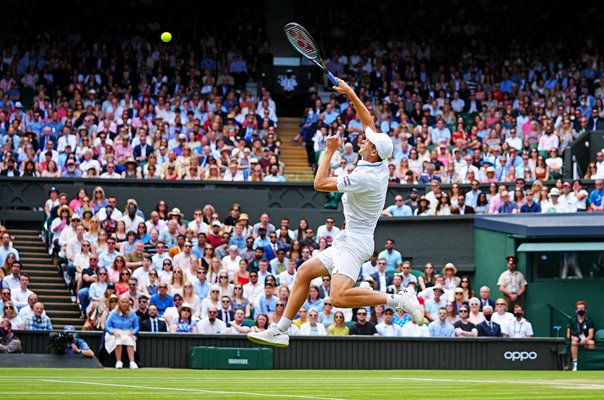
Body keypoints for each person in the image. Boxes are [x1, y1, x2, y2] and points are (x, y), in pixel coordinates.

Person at [247, 77, 422, 347]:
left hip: (356, 242)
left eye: (367, 142)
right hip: (349, 238)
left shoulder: (365, 177)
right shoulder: (380, 162)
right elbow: (368, 122)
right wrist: (350, 92)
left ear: (373, 152)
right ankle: (281, 329)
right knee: (304, 272)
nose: (363, 139)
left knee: (339, 298)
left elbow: (319, 184)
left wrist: (328, 151)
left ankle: (399, 299)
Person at [104, 294, 140, 369]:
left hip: (127, 332)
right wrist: (113, 332)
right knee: (118, 340)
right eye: (123, 302)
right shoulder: (113, 313)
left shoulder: (133, 314)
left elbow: (136, 327)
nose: (125, 304)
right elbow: (107, 326)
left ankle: (132, 362)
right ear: (119, 303)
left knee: (130, 340)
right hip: (115, 331)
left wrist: (133, 332)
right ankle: (118, 362)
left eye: (126, 302)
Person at [567, 300, 596, 371]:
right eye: (579, 309)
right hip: (576, 341)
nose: (581, 310)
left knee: (592, 343)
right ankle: (575, 363)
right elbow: (568, 335)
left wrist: (585, 339)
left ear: (585, 310)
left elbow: (591, 335)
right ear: (576, 310)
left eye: (582, 308)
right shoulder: (572, 320)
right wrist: (574, 338)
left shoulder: (589, 320)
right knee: (573, 343)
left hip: (585, 340)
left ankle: (589, 363)